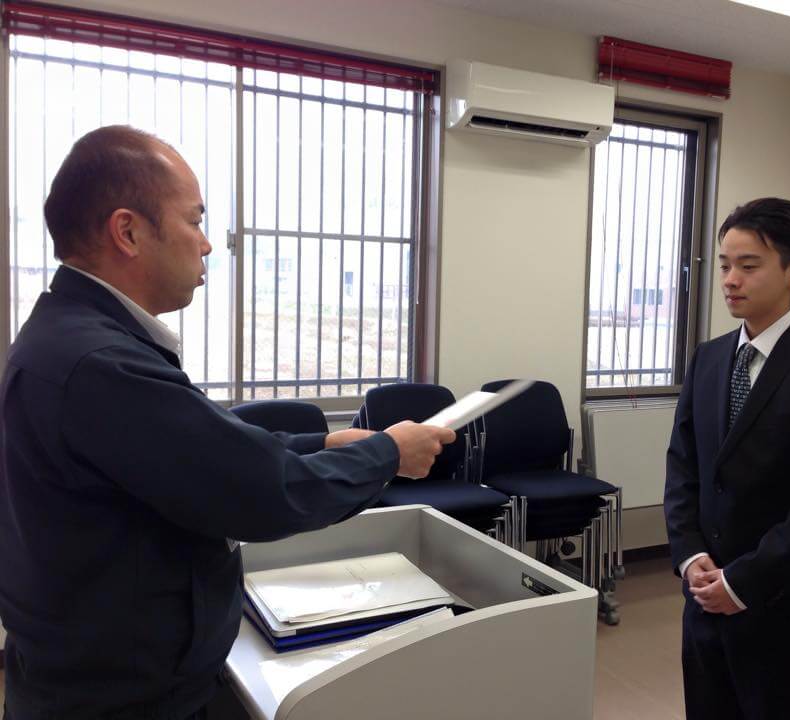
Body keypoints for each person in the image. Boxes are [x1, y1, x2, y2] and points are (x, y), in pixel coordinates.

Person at [0, 125, 455, 720]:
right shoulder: (100, 364)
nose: (208, 244)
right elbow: (263, 491)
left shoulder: (73, 338)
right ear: (128, 231)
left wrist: (324, 441)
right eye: (195, 220)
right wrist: (389, 453)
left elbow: (202, 444)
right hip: (124, 700)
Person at [663, 197, 790, 719]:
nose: (730, 280)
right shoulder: (709, 357)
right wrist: (689, 554)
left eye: (748, 266)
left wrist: (743, 582)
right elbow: (684, 465)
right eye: (725, 265)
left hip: (784, 612)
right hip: (704, 603)